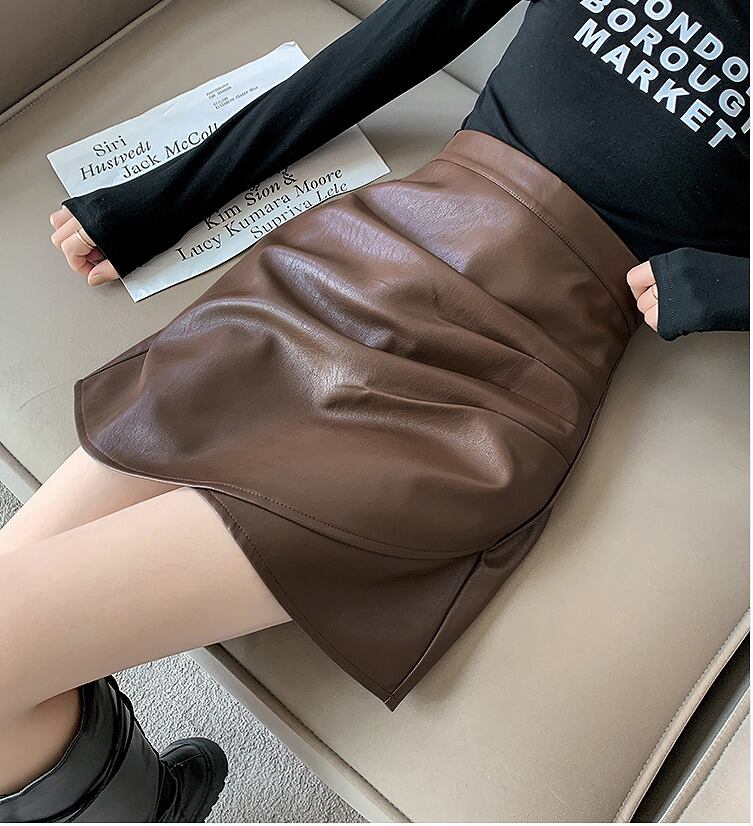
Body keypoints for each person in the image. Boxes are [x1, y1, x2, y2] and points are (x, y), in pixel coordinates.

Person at [0, 0, 748, 821]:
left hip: (492, 381)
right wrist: (162, 201)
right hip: (351, 268)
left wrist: (723, 288)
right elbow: (401, 36)